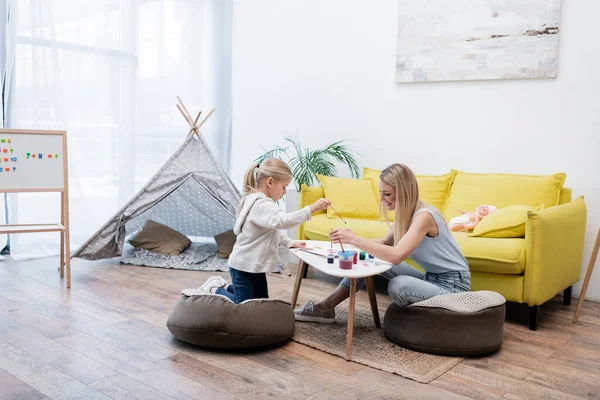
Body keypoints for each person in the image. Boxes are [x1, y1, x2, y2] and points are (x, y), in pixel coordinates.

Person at [294, 163, 470, 323]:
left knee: (398, 285)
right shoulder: (405, 212)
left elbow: (396, 256)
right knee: (367, 255)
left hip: (454, 285)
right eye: (381, 192)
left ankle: (420, 319)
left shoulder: (424, 216)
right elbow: (385, 242)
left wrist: (356, 240)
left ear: (403, 192)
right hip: (431, 278)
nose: (382, 199)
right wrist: (352, 240)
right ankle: (325, 307)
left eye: (387, 194)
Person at [200, 158, 330, 303]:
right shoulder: (261, 205)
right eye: (284, 187)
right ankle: (215, 289)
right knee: (243, 306)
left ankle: (228, 288)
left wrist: (289, 243)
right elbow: (283, 221)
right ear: (270, 182)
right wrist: (311, 209)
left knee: (261, 303)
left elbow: (272, 229)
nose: (285, 192)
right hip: (243, 267)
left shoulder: (256, 201)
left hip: (255, 266)